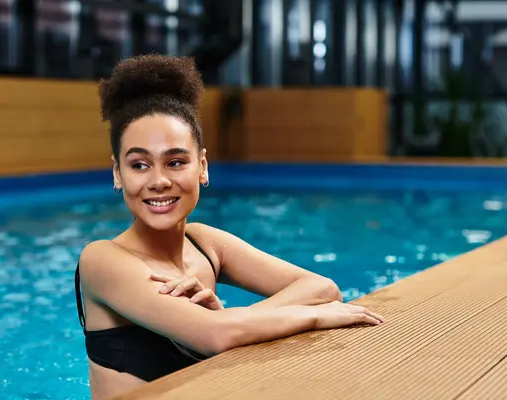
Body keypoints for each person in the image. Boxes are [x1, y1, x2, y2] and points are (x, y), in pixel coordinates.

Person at [75, 54, 384, 400]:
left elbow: (323, 289)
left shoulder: (205, 245)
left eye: (176, 162)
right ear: (118, 173)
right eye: (139, 165)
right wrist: (309, 318)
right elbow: (216, 336)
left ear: (202, 167)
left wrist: (239, 320)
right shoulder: (101, 260)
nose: (159, 180)